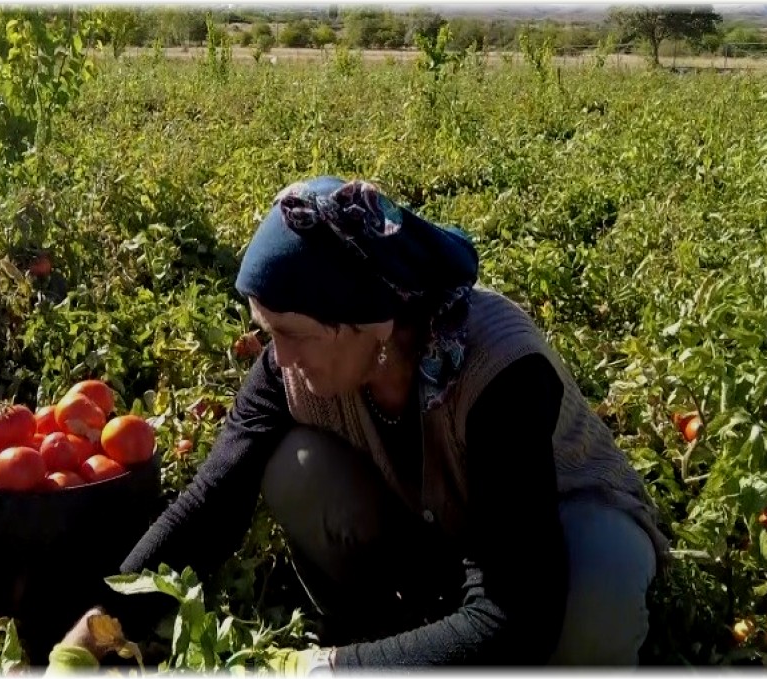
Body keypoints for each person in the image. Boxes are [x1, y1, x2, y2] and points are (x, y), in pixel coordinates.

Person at [46, 175, 671, 672]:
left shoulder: (499, 371)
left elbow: (517, 615)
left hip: (555, 522)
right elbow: (213, 500)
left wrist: (320, 668)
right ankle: (407, 634)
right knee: (294, 466)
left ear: (372, 323)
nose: (276, 356)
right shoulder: (292, 365)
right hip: (442, 525)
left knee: (588, 605)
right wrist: (100, 623)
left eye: (293, 334)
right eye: (268, 332)